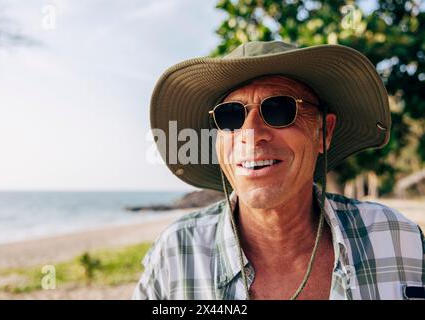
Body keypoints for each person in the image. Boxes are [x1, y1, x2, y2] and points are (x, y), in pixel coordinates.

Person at [133, 41, 425, 300]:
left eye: (279, 110)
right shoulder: (176, 254)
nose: (251, 133)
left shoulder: (396, 238)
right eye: (230, 115)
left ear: (323, 131)